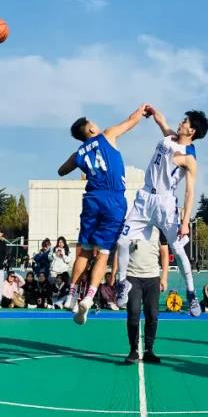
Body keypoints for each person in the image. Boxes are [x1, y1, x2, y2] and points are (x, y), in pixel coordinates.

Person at [114, 106, 208, 318]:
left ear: (192, 131)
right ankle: (122, 284)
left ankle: (191, 294)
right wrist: (150, 109)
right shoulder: (170, 136)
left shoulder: (189, 158)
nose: (181, 123)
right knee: (122, 241)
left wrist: (185, 222)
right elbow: (161, 120)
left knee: (178, 249)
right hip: (144, 198)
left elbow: (190, 192)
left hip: (165, 204)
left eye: (185, 122)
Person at [57, 105, 147, 324]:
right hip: (114, 200)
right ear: (90, 129)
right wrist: (142, 111)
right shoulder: (107, 135)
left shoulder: (79, 154)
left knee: (85, 251)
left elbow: (61, 171)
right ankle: (89, 296)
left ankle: (71, 295)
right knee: (104, 253)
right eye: (93, 123)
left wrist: (78, 156)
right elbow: (131, 121)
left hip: (92, 200)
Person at [122, 226, 170, 364]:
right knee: (133, 312)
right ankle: (133, 350)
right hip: (132, 276)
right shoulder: (131, 226)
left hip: (152, 278)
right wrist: (117, 274)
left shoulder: (159, 229)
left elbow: (164, 253)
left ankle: (149, 350)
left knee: (152, 314)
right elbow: (121, 249)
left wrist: (164, 277)